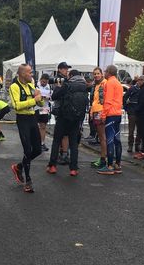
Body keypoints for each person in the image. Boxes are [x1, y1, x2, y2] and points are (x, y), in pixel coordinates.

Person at [46, 69, 88, 176]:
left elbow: (55, 96)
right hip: (76, 118)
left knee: (56, 140)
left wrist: (58, 86)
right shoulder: (84, 86)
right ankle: (73, 169)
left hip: (63, 117)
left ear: (71, 76)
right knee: (73, 143)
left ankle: (52, 166)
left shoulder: (67, 84)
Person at [9, 64, 44, 192]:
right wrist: (34, 100)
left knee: (38, 150)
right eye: (30, 72)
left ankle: (18, 166)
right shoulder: (14, 86)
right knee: (27, 151)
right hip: (22, 120)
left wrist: (39, 99)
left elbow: (40, 103)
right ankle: (28, 181)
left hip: (32, 118)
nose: (32, 75)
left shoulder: (31, 85)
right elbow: (17, 105)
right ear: (23, 74)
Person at [97, 65, 124, 175]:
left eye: (105, 71)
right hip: (118, 113)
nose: (104, 73)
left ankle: (109, 166)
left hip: (111, 114)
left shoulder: (109, 83)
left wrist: (103, 115)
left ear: (109, 72)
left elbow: (107, 101)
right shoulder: (118, 83)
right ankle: (117, 164)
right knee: (117, 139)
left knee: (110, 140)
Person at [89, 67, 108, 168]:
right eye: (94, 74)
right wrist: (92, 112)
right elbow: (95, 101)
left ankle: (103, 159)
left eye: (97, 73)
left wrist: (103, 113)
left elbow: (104, 100)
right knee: (101, 137)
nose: (96, 75)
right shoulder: (96, 85)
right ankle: (103, 157)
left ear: (102, 74)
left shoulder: (104, 84)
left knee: (102, 137)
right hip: (96, 112)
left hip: (101, 112)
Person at [123, 79, 140, 153]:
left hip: (138, 112)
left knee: (139, 130)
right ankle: (131, 145)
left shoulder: (142, 89)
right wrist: (126, 108)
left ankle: (137, 144)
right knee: (131, 130)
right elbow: (124, 97)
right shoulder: (132, 89)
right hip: (132, 112)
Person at [35, 74, 51, 151]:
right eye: (43, 82)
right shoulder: (36, 85)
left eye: (45, 82)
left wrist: (49, 97)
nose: (44, 83)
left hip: (45, 108)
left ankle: (42, 143)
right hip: (36, 108)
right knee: (34, 127)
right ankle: (34, 143)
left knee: (43, 126)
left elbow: (52, 96)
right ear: (40, 79)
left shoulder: (49, 86)